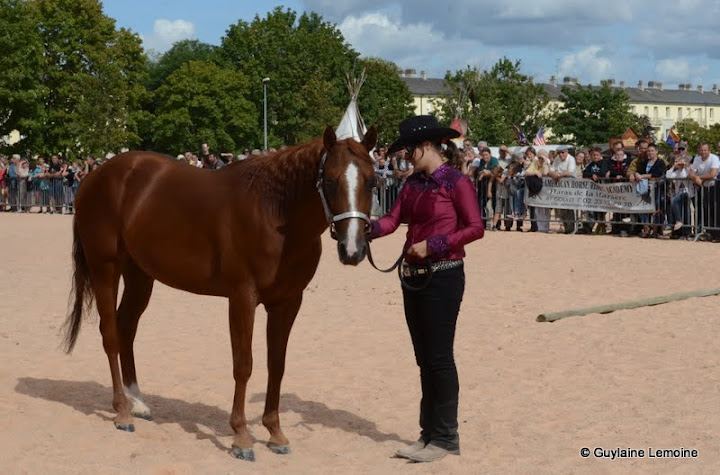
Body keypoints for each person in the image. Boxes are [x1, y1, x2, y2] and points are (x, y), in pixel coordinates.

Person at [369, 115, 484, 463]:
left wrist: (433, 244)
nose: (405, 157)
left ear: (425, 147)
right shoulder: (413, 184)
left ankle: (446, 438)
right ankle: (428, 434)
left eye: (408, 151)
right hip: (414, 276)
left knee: (439, 357)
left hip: (444, 274)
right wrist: (364, 228)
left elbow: (475, 227)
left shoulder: (455, 182)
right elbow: (392, 220)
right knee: (424, 360)